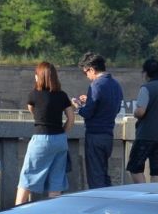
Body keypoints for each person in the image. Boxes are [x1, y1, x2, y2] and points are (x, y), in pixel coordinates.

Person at [15, 62, 75, 205]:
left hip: (41, 139)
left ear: (38, 77)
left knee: (28, 176)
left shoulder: (34, 94)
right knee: (56, 180)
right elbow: (71, 119)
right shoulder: (62, 96)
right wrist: (63, 133)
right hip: (60, 140)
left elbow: (32, 110)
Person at [73, 52, 123, 189]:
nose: (87, 76)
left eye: (85, 73)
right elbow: (116, 108)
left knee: (95, 178)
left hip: (95, 136)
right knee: (104, 175)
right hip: (108, 136)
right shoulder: (116, 85)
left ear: (92, 69)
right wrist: (89, 101)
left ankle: (99, 207)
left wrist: (78, 106)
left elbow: (88, 113)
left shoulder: (96, 85)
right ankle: (108, 206)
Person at [128, 57, 158, 183]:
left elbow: (140, 112)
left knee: (135, 166)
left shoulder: (146, 88)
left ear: (145, 73)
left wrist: (135, 112)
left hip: (145, 135)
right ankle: (155, 196)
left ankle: (143, 193)